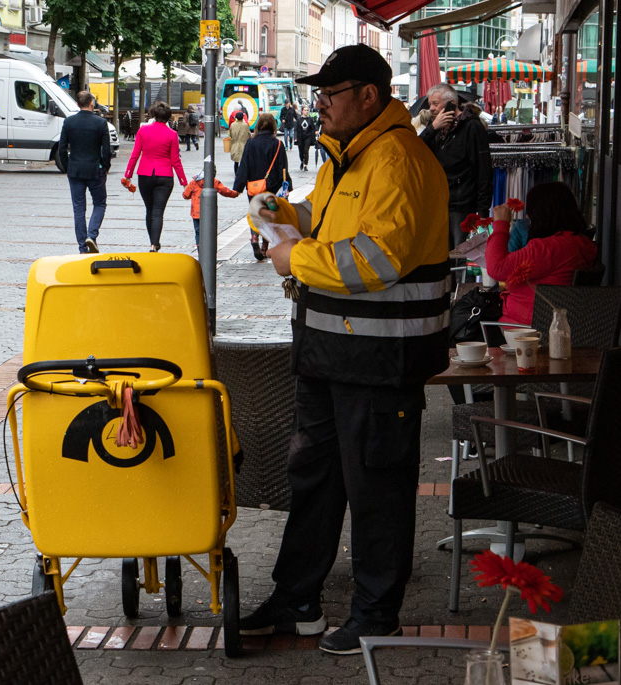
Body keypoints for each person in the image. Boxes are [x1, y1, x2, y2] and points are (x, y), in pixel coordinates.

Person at [240, 44, 450, 655]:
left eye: (330, 95)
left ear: (368, 96)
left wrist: (292, 255)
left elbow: (378, 259)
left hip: (381, 360)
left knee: (377, 487)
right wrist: (288, 214)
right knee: (314, 478)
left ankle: (376, 613)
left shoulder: (399, 160)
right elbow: (331, 222)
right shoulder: (348, 156)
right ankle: (297, 598)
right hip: (332, 351)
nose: (320, 105)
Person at [486, 182, 597, 324]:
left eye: (531, 212)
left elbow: (496, 268)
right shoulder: (576, 243)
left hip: (524, 332)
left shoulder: (550, 249)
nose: (527, 216)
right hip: (545, 326)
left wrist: (501, 224)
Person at [420, 83, 492, 248]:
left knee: (460, 256)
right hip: (438, 203)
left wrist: (482, 212)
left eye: (435, 104)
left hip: (462, 205)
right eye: (430, 104)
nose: (431, 108)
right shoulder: (436, 127)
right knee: (440, 253)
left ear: (451, 102)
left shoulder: (471, 126)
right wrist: (432, 129)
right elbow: (416, 153)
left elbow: (483, 170)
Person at [123, 101, 187, 252]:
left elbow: (135, 155)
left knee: (149, 210)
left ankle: (152, 241)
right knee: (158, 211)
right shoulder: (172, 134)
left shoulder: (143, 131)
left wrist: (128, 175)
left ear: (153, 114)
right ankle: (154, 244)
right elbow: (175, 160)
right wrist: (183, 182)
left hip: (145, 174)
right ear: (168, 117)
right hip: (164, 176)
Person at [58, 91, 111, 253]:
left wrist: (68, 167)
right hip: (95, 170)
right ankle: (92, 235)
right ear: (92, 103)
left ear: (77, 104)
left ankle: (82, 246)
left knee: (79, 209)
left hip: (75, 170)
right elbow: (106, 150)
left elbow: (62, 148)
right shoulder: (101, 123)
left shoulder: (69, 122)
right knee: (100, 203)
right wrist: (105, 167)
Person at [233, 112, 290, 261]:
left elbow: (243, 166)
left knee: (255, 212)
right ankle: (264, 247)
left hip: (253, 186)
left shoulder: (251, 143)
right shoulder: (277, 144)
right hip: (271, 187)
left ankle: (253, 237)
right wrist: (287, 186)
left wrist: (238, 187)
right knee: (269, 216)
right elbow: (283, 168)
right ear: (273, 126)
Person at [182, 170, 239, 250]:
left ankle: (200, 249)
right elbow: (224, 191)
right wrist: (235, 194)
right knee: (209, 232)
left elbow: (186, 195)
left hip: (196, 213)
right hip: (208, 213)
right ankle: (208, 250)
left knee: (198, 232)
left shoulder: (194, 182)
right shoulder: (214, 182)